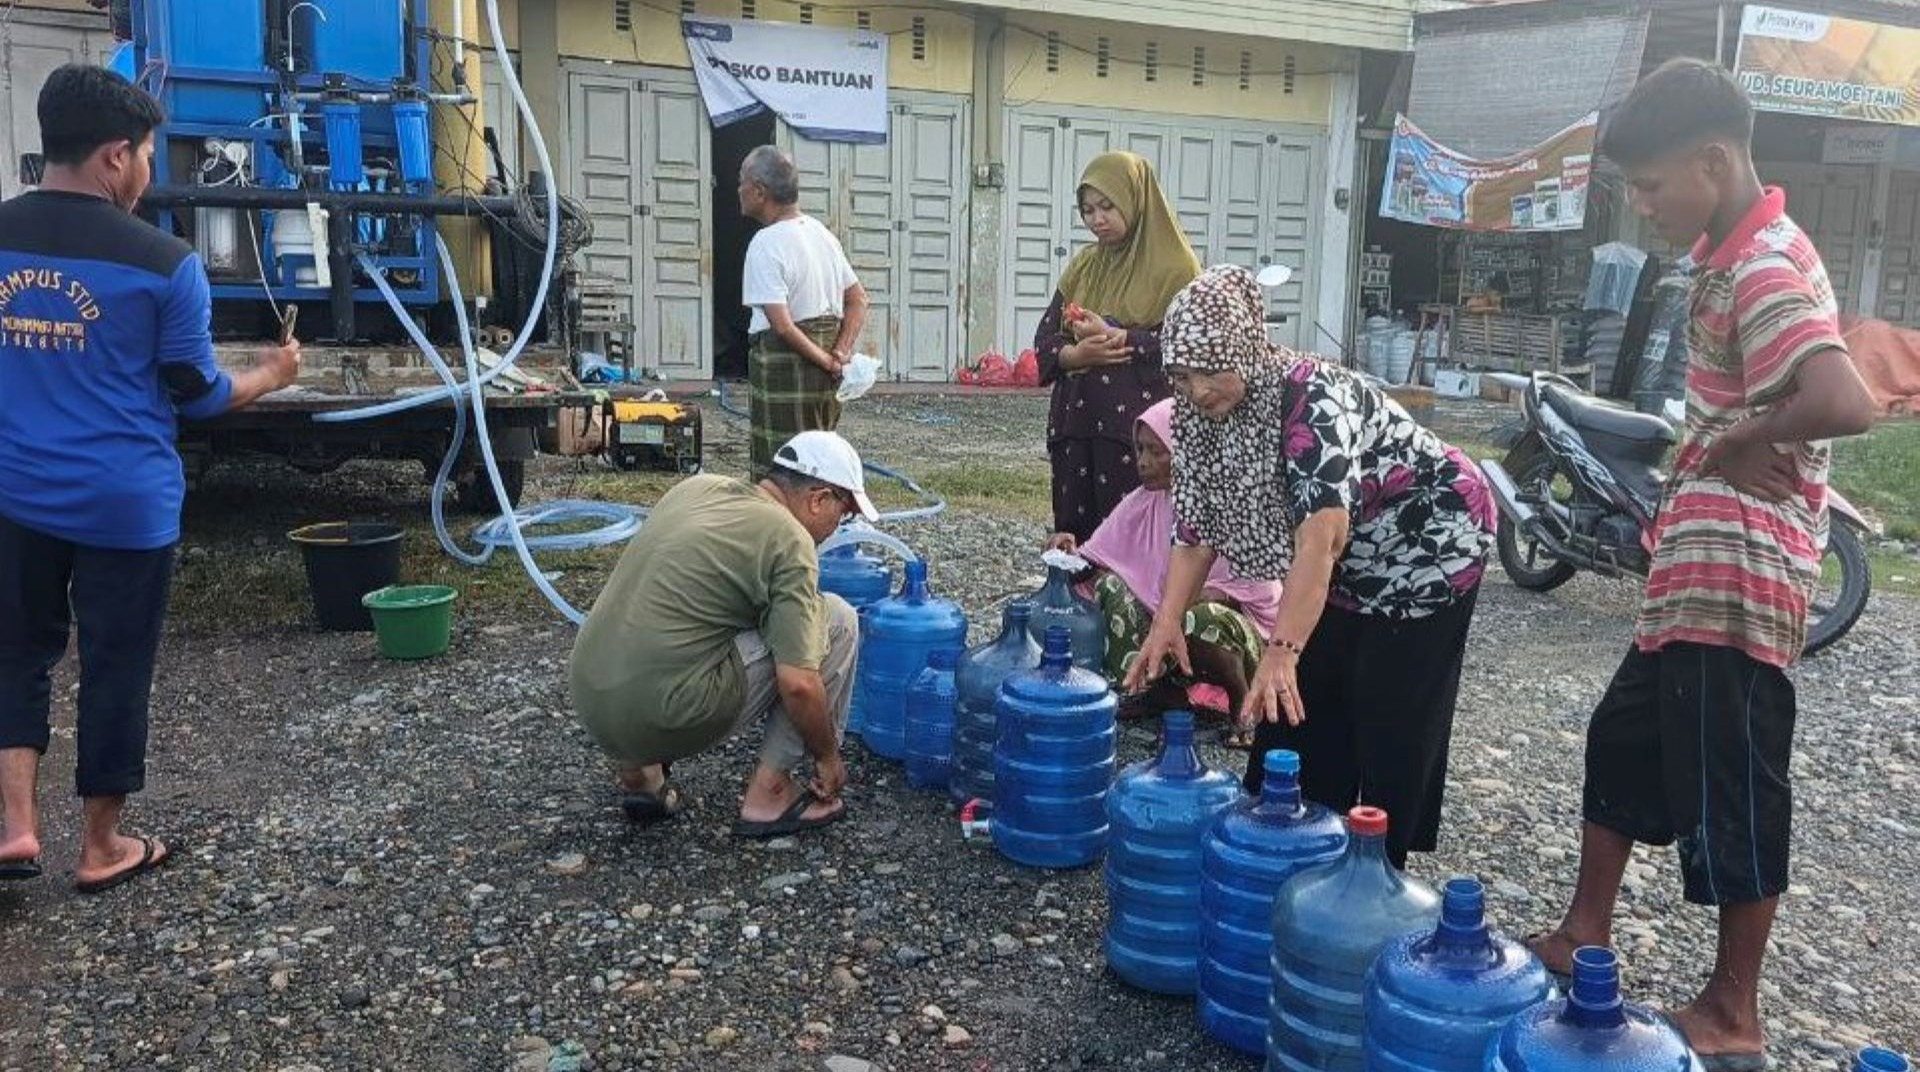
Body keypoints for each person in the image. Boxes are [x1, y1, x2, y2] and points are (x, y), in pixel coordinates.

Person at [1525, 60, 1878, 1071]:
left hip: (1739, 581)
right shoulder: (1729, 252)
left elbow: (1843, 398)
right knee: (1624, 740)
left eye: (1648, 186)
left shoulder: (1765, 261)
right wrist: (1732, 437)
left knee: (1733, 785)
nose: (1640, 208)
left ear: (1713, 161)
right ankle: (1585, 928)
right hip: (1696, 576)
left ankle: (1734, 1010)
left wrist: (1733, 441)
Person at [0, 65, 302, 893]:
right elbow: (199, 395)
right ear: (112, 155)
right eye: (144, 155)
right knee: (114, 665)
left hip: (16, 495)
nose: (146, 171)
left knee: (14, 654)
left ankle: (17, 828)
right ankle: (101, 847)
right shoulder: (165, 262)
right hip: (125, 507)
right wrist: (274, 373)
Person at [1125, 264, 1496, 869]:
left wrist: (1281, 648)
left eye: (1208, 371)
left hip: (1429, 545)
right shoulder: (1197, 415)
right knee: (1301, 706)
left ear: (1244, 349)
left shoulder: (1312, 399)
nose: (1194, 390)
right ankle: (1295, 841)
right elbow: (1194, 525)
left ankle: (1378, 869)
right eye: (1181, 375)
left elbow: (1320, 540)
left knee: (1386, 704)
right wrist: (1167, 620)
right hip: (1344, 563)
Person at [569, 431, 878, 839]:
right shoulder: (790, 540)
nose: (841, 525)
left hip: (592, 697)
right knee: (836, 620)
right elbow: (799, 684)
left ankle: (640, 771)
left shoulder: (697, 489)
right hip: (661, 709)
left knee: (693, 625)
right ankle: (771, 794)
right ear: (819, 498)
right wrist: (828, 757)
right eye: (845, 512)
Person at [1046, 398, 1279, 744]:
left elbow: (1260, 591)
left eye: (1158, 452)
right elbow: (1093, 562)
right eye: (1140, 450)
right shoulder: (1143, 502)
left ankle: (1243, 705)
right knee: (1111, 588)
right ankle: (1161, 691)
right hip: (1168, 621)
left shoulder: (1228, 502)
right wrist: (1062, 551)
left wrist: (1187, 598)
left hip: (1244, 635)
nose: (1143, 462)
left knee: (1199, 616)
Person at [1036, 151, 1200, 543]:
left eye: (1108, 206)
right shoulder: (1085, 264)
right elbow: (1044, 338)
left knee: (1134, 539)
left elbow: (1190, 347)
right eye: (1088, 210)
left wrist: (1126, 339)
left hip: (1136, 434)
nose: (1097, 219)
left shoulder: (1177, 267)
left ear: (1135, 199)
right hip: (1076, 426)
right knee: (1075, 540)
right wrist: (1074, 354)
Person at [738, 145, 870, 480]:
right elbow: (858, 300)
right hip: (824, 380)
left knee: (782, 465)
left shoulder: (766, 243)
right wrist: (838, 352)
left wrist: (828, 361)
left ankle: (778, 528)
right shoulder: (822, 235)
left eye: (741, 182)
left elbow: (782, 326)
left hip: (790, 369)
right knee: (817, 461)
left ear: (759, 190)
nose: (738, 190)